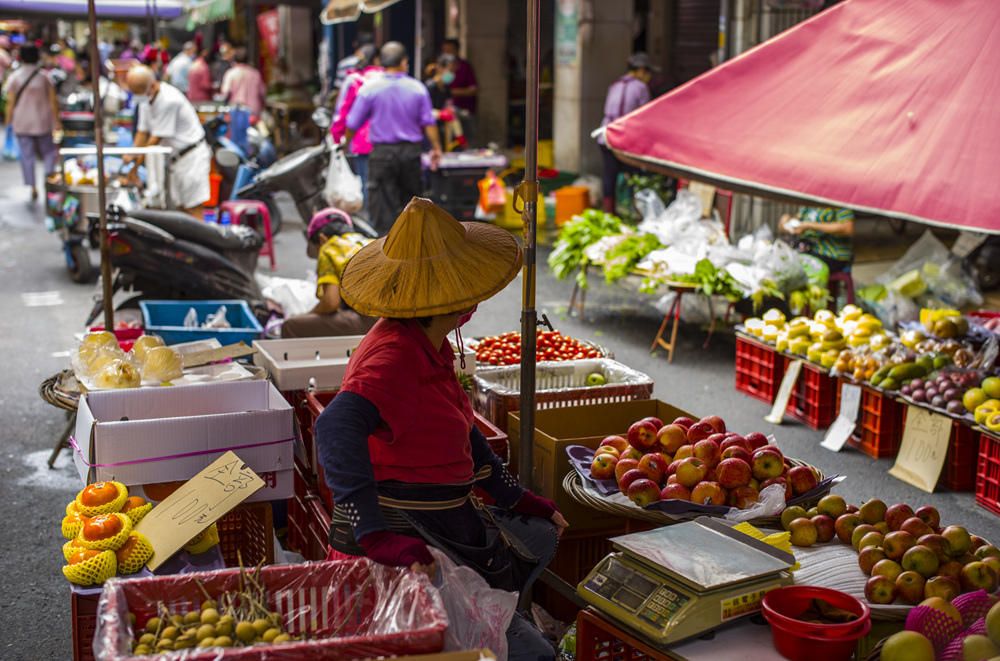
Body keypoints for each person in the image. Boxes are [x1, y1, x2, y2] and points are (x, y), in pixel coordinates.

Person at [316, 197, 564, 661]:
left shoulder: (428, 343)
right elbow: (334, 427)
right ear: (452, 295)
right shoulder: (394, 357)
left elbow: (460, 428)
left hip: (445, 520)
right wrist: (375, 537)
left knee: (537, 538)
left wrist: (513, 495)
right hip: (403, 539)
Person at [345, 42, 441, 236]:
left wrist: (345, 144)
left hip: (382, 154)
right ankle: (413, 247)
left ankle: (384, 250)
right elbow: (429, 122)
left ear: (381, 62)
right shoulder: (417, 88)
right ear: (404, 62)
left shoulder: (369, 88)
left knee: (382, 205)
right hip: (410, 153)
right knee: (413, 204)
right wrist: (436, 149)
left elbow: (353, 122)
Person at [122, 65, 211, 217]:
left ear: (152, 85)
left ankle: (201, 241)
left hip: (191, 158)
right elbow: (142, 132)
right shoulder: (146, 100)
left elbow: (155, 140)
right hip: (175, 160)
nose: (137, 96)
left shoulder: (169, 100)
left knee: (192, 210)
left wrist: (135, 166)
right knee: (181, 209)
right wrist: (132, 152)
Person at [280, 209, 379, 338]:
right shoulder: (370, 243)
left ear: (322, 239)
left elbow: (330, 302)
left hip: (373, 322)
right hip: (398, 320)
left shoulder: (329, 247)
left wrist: (307, 314)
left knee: (290, 326)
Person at [597, 52, 655, 213]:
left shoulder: (614, 83)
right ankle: (637, 214)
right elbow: (645, 115)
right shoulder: (641, 87)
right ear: (641, 70)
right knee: (635, 176)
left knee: (610, 175)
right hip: (625, 138)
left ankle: (610, 214)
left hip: (605, 135)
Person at [4, 44, 61, 201]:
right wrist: (57, 122)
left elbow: (10, 102)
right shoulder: (44, 77)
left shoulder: (15, 76)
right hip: (43, 121)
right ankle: (48, 180)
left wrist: (8, 122)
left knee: (27, 155)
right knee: (49, 152)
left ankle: (33, 186)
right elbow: (53, 101)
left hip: (22, 121)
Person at [332, 44, 382, 207]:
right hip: (390, 143)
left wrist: (339, 138)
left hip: (362, 143)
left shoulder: (354, 81)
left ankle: (373, 226)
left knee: (367, 184)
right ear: (377, 59)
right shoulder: (388, 78)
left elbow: (342, 113)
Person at [779, 206, 855, 272]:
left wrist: (810, 225)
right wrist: (787, 222)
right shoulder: (808, 200)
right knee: (780, 254)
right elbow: (798, 220)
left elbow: (848, 228)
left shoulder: (838, 199)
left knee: (791, 265)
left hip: (831, 254)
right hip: (809, 248)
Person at [439, 38, 476, 142]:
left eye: (449, 50)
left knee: (465, 139)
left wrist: (451, 93)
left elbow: (473, 89)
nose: (447, 53)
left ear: (457, 51)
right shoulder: (437, 78)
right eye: (444, 51)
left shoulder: (465, 67)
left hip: (464, 112)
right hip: (446, 114)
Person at [220, 46, 266, 117]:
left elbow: (225, 93)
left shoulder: (231, 73)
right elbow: (262, 93)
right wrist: (263, 106)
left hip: (236, 111)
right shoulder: (255, 73)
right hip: (253, 112)